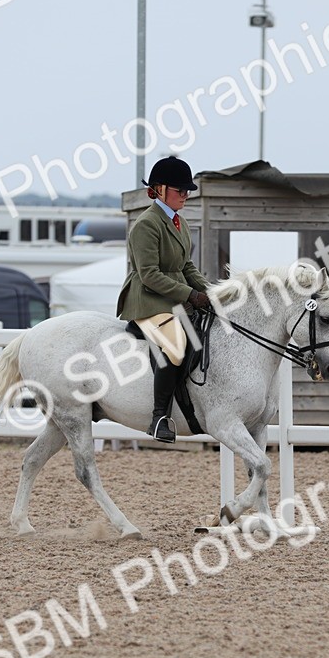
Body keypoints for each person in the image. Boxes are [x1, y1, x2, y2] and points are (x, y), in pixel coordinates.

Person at [117, 155, 212, 443]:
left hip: (173, 297)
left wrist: (211, 292)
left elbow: (185, 266)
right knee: (175, 344)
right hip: (147, 299)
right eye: (179, 189)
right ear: (159, 189)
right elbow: (149, 275)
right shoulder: (147, 224)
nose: (185, 195)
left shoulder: (179, 221)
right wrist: (190, 294)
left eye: (187, 190)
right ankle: (159, 417)